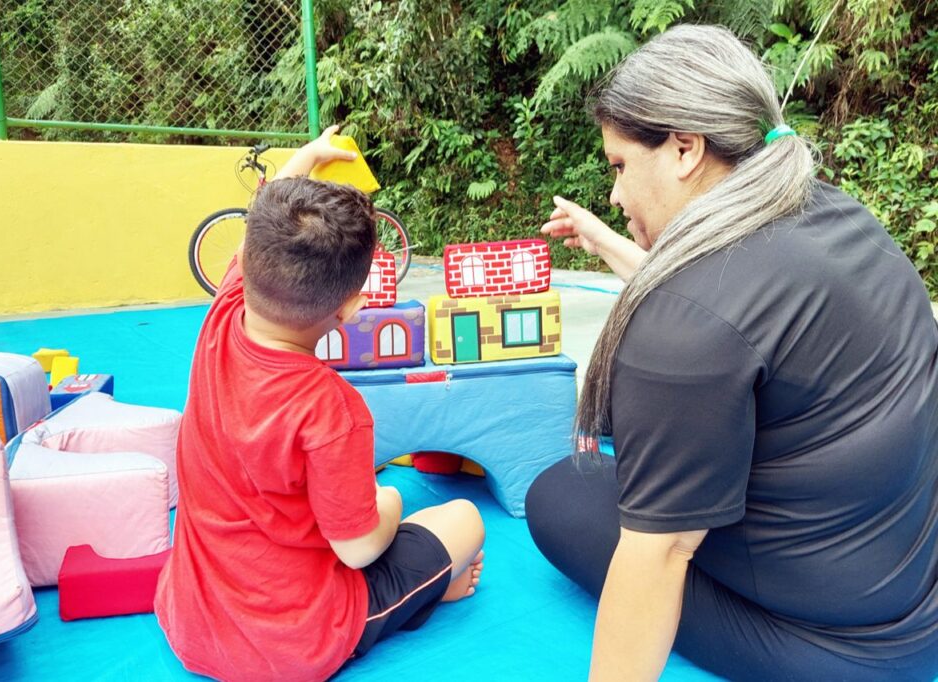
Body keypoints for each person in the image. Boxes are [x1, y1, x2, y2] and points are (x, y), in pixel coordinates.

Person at [527, 25, 938, 682]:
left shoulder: (687, 324)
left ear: (686, 149)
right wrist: (606, 239)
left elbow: (657, 558)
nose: (615, 194)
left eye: (620, 166)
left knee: (562, 494)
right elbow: (728, 312)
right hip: (912, 600)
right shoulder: (837, 217)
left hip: (834, 650)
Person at [154, 126, 485, 682]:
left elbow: (256, 224)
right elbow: (356, 550)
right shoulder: (331, 409)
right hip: (294, 644)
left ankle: (425, 589)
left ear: (249, 262)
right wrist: (389, 503)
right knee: (463, 519)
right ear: (354, 307)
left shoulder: (222, 315)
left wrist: (305, 158)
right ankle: (420, 596)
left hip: (191, 621)